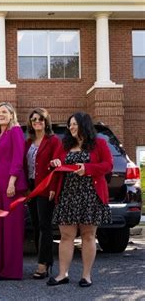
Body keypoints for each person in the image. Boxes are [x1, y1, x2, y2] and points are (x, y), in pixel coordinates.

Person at [47, 112, 112, 288]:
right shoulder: (65, 145)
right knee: (66, 236)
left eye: (74, 124)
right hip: (67, 196)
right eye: (70, 125)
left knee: (88, 235)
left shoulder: (99, 143)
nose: (71, 127)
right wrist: (54, 168)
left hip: (91, 195)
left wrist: (88, 168)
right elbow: (56, 165)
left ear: (84, 124)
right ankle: (62, 274)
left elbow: (108, 165)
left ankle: (86, 276)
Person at [0, 102, 27, 280]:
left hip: (11, 187)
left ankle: (11, 271)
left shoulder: (16, 131)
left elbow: (18, 158)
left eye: (4, 112)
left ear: (12, 115)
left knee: (11, 230)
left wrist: (12, 182)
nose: (0, 114)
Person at [24, 108, 61, 279]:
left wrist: (53, 187)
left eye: (40, 119)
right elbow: (24, 166)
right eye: (33, 120)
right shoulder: (28, 142)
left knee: (45, 226)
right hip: (31, 188)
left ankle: (42, 265)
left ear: (46, 121)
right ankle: (46, 261)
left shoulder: (53, 141)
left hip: (46, 188)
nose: (36, 122)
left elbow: (57, 167)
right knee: (37, 226)